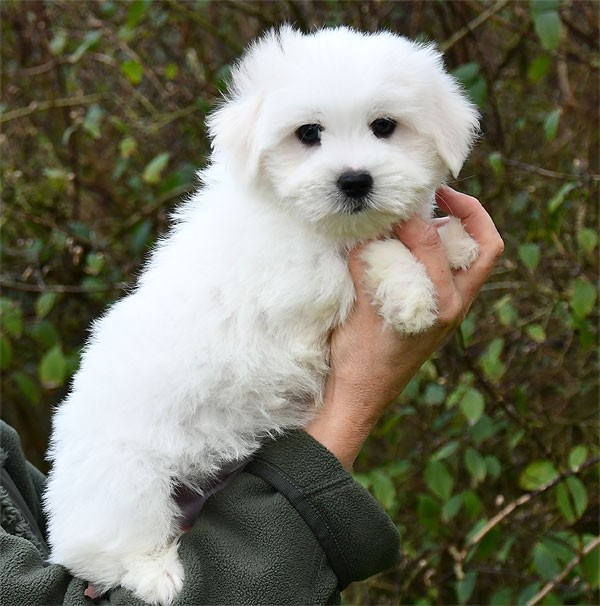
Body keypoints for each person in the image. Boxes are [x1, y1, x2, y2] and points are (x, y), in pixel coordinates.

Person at [0, 187, 503, 605]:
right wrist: (351, 402)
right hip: (152, 480)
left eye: (384, 128)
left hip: (206, 464)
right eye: (310, 133)